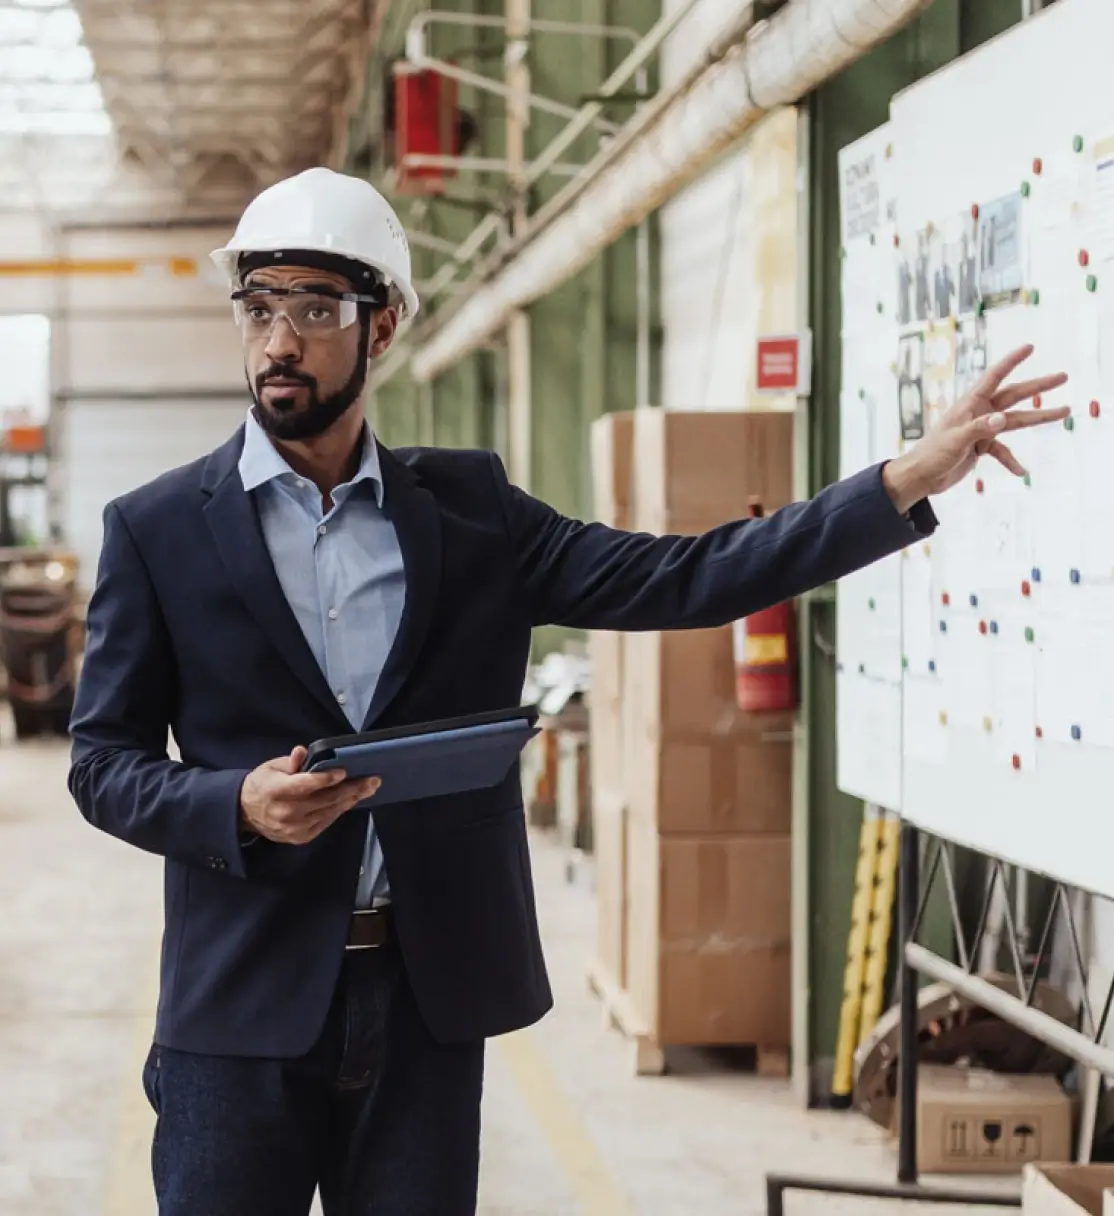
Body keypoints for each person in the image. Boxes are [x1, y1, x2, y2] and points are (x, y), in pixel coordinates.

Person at [67, 167, 1069, 1216]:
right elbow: (102, 764)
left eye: (315, 309)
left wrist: (899, 483)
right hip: (238, 1011)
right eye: (260, 306)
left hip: (424, 1000)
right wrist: (231, 802)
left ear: (383, 325)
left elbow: (686, 574)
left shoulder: (472, 514)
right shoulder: (160, 529)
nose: (280, 340)